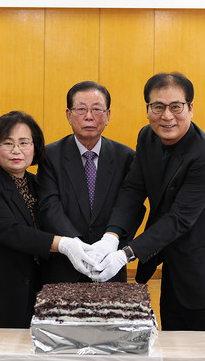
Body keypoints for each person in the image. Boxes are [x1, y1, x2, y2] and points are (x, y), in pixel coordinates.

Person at [88, 72, 205, 331]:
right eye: (158, 107)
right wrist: (111, 236)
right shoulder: (147, 138)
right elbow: (132, 190)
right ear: (148, 110)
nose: (167, 116)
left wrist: (125, 254)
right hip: (174, 269)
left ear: (190, 108)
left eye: (176, 106)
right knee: (173, 342)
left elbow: (179, 219)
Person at [0, 111, 95, 328]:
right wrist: (64, 244)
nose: (17, 150)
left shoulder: (37, 184)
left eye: (24, 143)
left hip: (24, 292)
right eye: (8, 143)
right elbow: (11, 231)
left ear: (35, 147)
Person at [37, 81, 143, 283]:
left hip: (108, 265)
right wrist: (75, 245)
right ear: (68, 115)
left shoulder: (126, 157)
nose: (89, 116)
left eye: (96, 109)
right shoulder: (50, 156)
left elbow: (131, 207)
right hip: (62, 267)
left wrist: (111, 241)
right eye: (81, 109)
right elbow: (49, 206)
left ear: (108, 115)